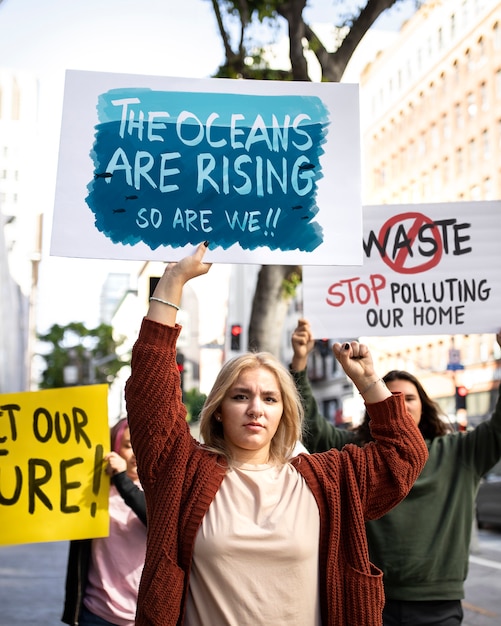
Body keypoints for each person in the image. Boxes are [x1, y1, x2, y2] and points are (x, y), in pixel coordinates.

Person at [124, 242, 428, 626]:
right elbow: (151, 396)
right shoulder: (182, 472)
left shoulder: (328, 480)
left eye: (270, 398)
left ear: (284, 412)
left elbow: (403, 456)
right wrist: (171, 283)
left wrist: (368, 382)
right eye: (240, 396)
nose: (256, 408)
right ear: (218, 412)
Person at [290, 318, 501, 626]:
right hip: (370, 598)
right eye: (390, 398)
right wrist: (300, 361)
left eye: (408, 398)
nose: (399, 406)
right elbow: (309, 423)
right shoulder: (357, 453)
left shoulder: (460, 451)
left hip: (437, 603)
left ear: (424, 405)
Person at [62, 417, 146, 626]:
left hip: (143, 615)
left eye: (142, 445)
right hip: (96, 613)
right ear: (115, 448)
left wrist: (122, 479)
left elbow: (151, 516)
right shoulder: (93, 491)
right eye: (128, 445)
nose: (136, 453)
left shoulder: (159, 491)